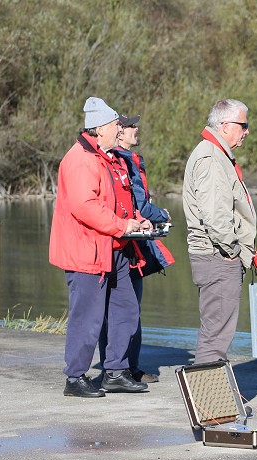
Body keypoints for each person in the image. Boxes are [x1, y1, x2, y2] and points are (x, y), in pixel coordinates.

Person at [49, 96, 151, 398]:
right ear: (100, 128)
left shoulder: (109, 157)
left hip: (115, 248)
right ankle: (75, 378)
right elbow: (86, 206)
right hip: (88, 253)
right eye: (116, 125)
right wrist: (123, 226)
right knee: (88, 317)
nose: (121, 129)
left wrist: (137, 220)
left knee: (126, 309)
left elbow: (118, 201)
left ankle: (115, 372)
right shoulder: (80, 159)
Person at [96, 113, 175, 384]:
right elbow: (138, 204)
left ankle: (126, 367)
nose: (135, 129)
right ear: (117, 131)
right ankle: (122, 368)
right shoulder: (121, 160)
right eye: (129, 125)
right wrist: (161, 214)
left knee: (126, 308)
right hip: (124, 244)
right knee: (123, 309)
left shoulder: (128, 159)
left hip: (129, 242)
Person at [182, 99, 257, 364]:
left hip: (218, 256)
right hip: (218, 257)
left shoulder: (216, 154)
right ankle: (208, 403)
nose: (246, 131)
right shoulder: (211, 157)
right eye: (243, 125)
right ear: (225, 125)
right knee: (215, 340)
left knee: (216, 335)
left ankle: (214, 400)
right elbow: (215, 214)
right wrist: (233, 251)